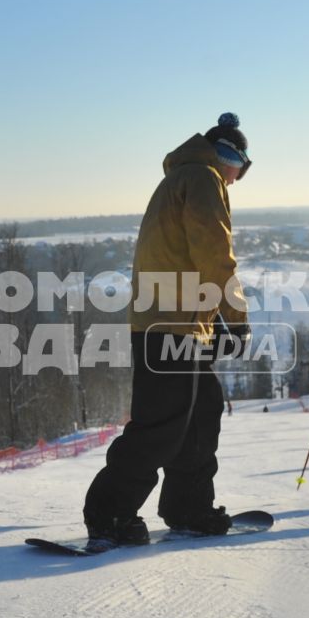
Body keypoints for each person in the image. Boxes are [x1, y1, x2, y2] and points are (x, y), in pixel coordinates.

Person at [82, 113, 252, 542]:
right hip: (169, 325)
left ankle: (188, 506)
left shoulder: (182, 177)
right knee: (162, 424)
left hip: (179, 325)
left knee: (201, 412)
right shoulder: (202, 178)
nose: (236, 181)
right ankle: (109, 513)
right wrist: (235, 317)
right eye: (240, 170)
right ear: (229, 158)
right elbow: (214, 253)